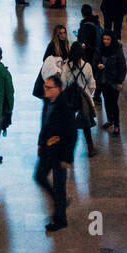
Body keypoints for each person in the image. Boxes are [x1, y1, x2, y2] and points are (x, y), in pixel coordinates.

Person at [34, 74, 77, 232]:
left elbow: (72, 134)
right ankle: (60, 201)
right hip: (47, 149)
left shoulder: (65, 107)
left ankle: (60, 219)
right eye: (44, 86)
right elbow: (44, 124)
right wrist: (40, 143)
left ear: (58, 89)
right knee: (39, 176)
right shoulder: (47, 102)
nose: (44, 89)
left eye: (48, 87)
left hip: (59, 154)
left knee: (59, 186)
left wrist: (67, 158)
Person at [62, 41, 99, 158]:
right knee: (86, 124)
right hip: (83, 98)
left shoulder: (66, 67)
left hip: (70, 98)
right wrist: (88, 94)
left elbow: (63, 83)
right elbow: (92, 84)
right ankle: (90, 148)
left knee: (69, 125)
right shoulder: (87, 66)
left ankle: (68, 151)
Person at [96, 30, 127, 135]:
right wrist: (98, 64)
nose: (106, 41)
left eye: (108, 39)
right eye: (104, 39)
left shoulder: (117, 50)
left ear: (112, 40)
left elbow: (122, 67)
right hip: (103, 81)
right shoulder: (100, 49)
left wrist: (120, 82)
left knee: (114, 103)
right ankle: (110, 120)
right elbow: (95, 61)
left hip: (114, 82)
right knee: (106, 101)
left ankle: (117, 125)